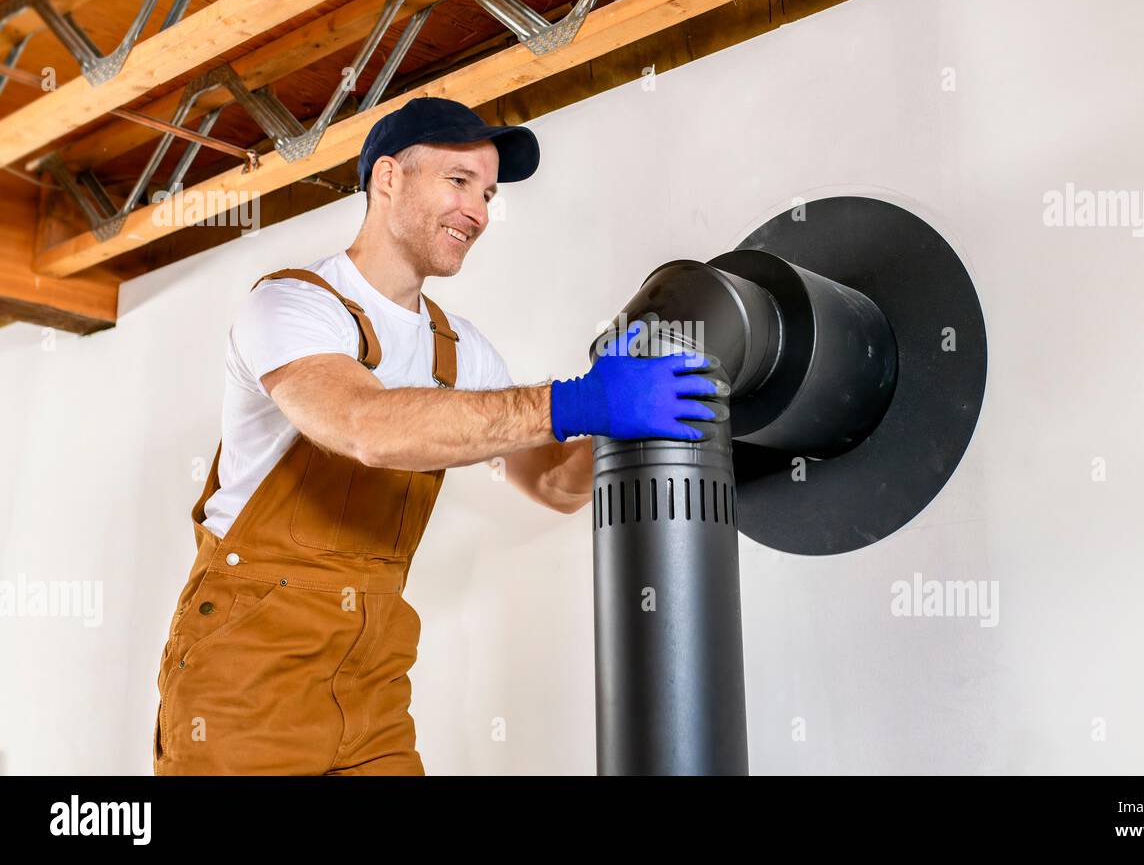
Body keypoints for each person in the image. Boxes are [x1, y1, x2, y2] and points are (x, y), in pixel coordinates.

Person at [153, 96, 723, 774]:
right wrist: (574, 401)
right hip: (249, 666)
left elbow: (551, 484)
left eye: (486, 192)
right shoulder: (293, 305)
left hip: (371, 680)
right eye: (459, 181)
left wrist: (610, 418)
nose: (480, 212)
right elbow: (364, 427)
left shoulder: (461, 351)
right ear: (388, 178)